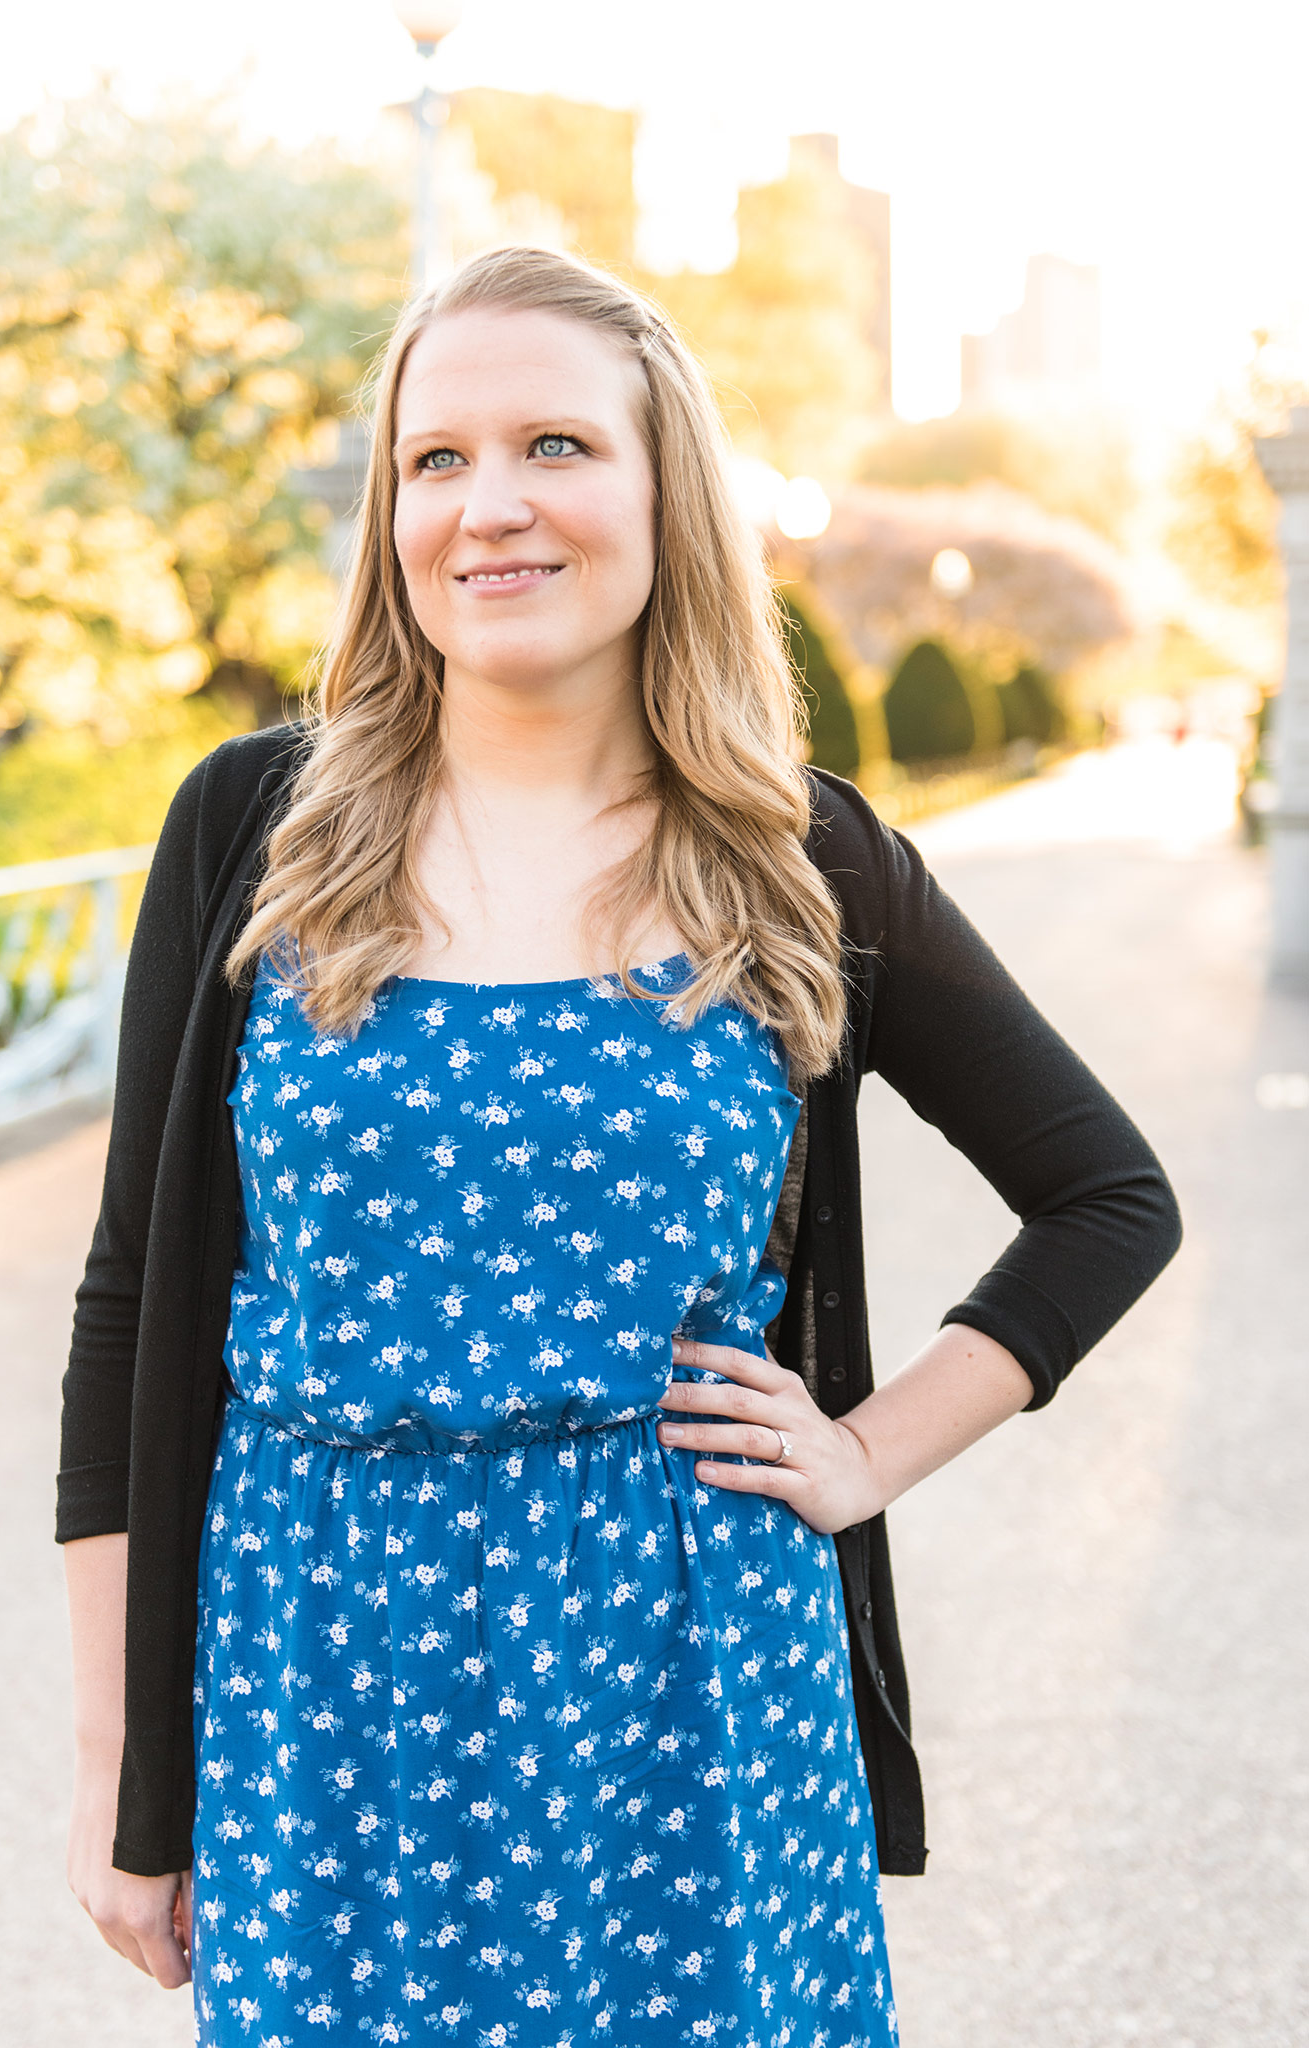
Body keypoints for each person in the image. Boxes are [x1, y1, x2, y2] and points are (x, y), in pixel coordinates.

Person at [58, 246, 1180, 2046]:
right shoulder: (250, 831)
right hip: (324, 1684)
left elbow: (1107, 1197)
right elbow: (130, 1310)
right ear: (390, 515)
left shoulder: (796, 859)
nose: (490, 506)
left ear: (668, 500)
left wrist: (872, 1450)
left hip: (687, 1682)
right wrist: (127, 1779)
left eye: (557, 446)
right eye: (437, 460)